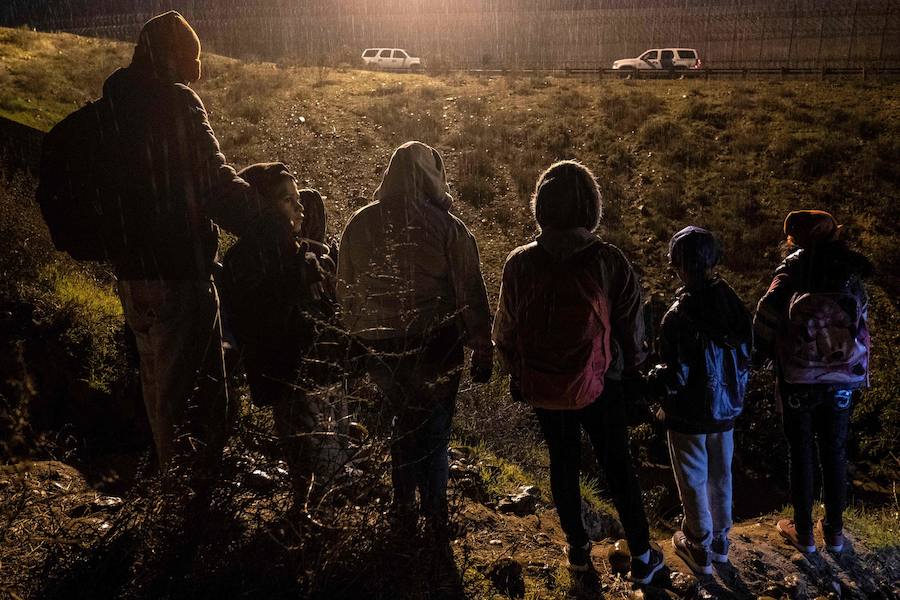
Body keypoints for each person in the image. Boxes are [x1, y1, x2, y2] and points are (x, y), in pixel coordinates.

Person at [99, 11, 261, 497]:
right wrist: (266, 223)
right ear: (177, 59)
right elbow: (214, 183)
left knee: (159, 393)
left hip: (132, 276)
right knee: (197, 400)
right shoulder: (179, 106)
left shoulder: (115, 106)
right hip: (178, 275)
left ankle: (174, 495)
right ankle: (187, 511)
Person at [492, 160, 663, 583]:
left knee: (561, 463)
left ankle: (578, 553)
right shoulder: (608, 261)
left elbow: (504, 331)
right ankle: (642, 557)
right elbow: (632, 331)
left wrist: (518, 372)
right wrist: (631, 373)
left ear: (542, 205)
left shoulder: (519, 263)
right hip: (600, 384)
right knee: (617, 466)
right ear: (591, 205)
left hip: (543, 385)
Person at [336, 141, 493, 540]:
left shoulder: (359, 223)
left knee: (402, 426)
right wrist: (482, 348)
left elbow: (346, 289)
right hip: (436, 344)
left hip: (380, 347)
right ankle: (435, 516)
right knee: (435, 431)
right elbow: (470, 293)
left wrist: (355, 345)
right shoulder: (448, 228)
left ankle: (402, 510)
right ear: (431, 177)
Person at [754, 210, 872, 554]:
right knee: (835, 451)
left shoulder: (792, 268)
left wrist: (761, 353)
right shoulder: (850, 271)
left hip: (798, 377)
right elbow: (861, 315)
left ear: (795, 239)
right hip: (841, 376)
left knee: (800, 450)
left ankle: (803, 533)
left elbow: (767, 309)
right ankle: (834, 534)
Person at [219, 163, 329, 515]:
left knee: (306, 444)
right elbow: (263, 317)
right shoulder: (265, 256)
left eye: (298, 199)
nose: (300, 208)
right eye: (287, 200)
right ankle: (307, 512)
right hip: (289, 369)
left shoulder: (295, 249)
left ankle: (306, 507)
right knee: (306, 445)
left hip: (296, 370)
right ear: (263, 206)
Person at [647, 226, 751, 575]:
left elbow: (675, 375)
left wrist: (651, 380)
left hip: (689, 415)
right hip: (726, 410)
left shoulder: (678, 316)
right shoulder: (732, 302)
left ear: (678, 265)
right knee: (721, 476)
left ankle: (698, 543)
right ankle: (721, 541)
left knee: (692, 478)